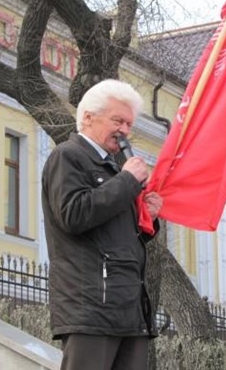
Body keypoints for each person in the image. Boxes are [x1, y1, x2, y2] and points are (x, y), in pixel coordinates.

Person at [41, 79, 163, 370]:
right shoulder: (68, 156)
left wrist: (148, 218)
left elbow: (114, 237)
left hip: (128, 311)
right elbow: (73, 215)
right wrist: (126, 182)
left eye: (129, 125)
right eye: (117, 120)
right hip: (91, 310)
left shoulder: (113, 169)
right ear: (87, 118)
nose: (124, 131)